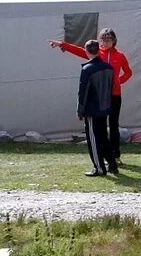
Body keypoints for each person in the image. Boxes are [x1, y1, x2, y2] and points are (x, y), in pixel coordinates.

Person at [51, 28, 131, 172]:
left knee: (113, 125)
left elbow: (128, 72)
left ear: (114, 41)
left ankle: (116, 155)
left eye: (108, 39)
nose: (106, 42)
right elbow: (81, 51)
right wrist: (62, 45)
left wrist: (118, 81)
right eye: (103, 39)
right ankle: (106, 159)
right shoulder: (98, 52)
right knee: (101, 128)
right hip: (101, 96)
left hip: (114, 95)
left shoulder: (120, 55)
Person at [75, 39, 117, 177]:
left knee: (93, 139)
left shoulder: (87, 69)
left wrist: (80, 110)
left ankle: (99, 168)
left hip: (93, 109)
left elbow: (83, 92)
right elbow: (111, 87)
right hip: (105, 106)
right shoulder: (109, 67)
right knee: (104, 137)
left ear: (86, 51)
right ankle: (112, 165)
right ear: (99, 50)